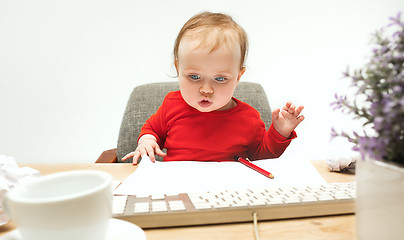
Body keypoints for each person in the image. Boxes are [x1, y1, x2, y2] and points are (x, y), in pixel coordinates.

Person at [122, 12, 304, 164]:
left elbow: (263, 156)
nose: (206, 89)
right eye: (194, 77)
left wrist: (280, 132)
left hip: (226, 195)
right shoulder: (171, 105)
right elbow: (151, 130)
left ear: (238, 77)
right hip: (178, 188)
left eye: (220, 78)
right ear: (179, 70)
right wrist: (147, 141)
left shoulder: (249, 119)